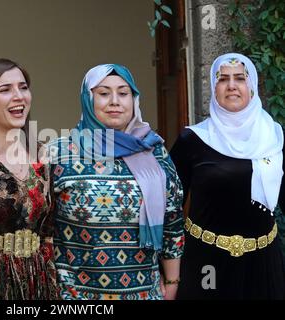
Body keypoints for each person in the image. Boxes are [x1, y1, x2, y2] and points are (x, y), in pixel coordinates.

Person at [49, 64, 184, 300]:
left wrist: (172, 282)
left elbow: (172, 223)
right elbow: (43, 228)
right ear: (87, 99)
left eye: (123, 93)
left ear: (134, 100)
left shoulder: (155, 152)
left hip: (144, 293)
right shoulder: (59, 153)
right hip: (75, 296)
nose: (114, 101)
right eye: (103, 93)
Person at [170, 53, 285, 299]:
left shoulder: (275, 138)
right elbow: (169, 207)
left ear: (251, 87)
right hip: (207, 262)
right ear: (214, 88)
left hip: (263, 262)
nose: (232, 85)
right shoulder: (193, 139)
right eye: (223, 79)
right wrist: (168, 270)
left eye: (240, 78)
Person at [0, 58, 59, 300]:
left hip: (38, 281)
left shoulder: (43, 156)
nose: (19, 96)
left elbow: (49, 231)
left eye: (23, 87)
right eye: (5, 90)